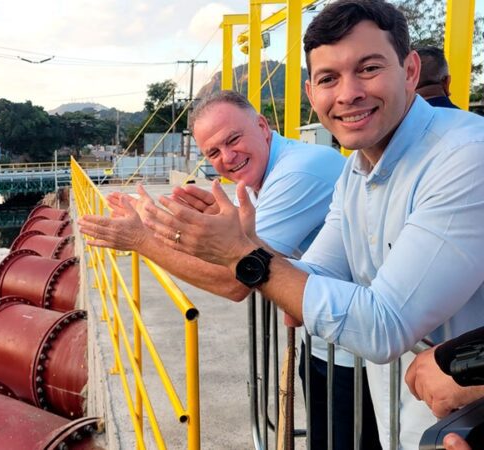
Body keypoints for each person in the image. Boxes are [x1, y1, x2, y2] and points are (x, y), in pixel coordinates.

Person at [137, 1, 484, 448]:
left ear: (411, 70)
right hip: (409, 418)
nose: (348, 93)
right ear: (310, 91)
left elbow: (384, 324)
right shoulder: (356, 172)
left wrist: (242, 255)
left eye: (369, 68)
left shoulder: (463, 156)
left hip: (460, 421)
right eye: (328, 78)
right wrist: (244, 243)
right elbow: (301, 289)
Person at [79, 90, 379, 449]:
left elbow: (238, 277)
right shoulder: (258, 179)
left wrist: (144, 241)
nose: (228, 157)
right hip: (327, 340)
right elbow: (240, 251)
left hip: (359, 354)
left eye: (233, 139)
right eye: (213, 153)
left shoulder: (299, 170)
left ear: (262, 126)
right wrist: (176, 225)